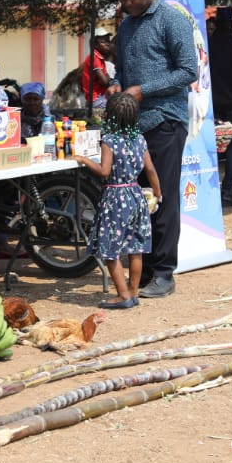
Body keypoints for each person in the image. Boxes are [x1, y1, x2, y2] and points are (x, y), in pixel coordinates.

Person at [110, 0, 198, 299]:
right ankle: (142, 268)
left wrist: (143, 90)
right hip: (133, 126)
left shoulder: (171, 20)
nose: (127, 4)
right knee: (138, 200)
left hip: (164, 120)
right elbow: (122, 69)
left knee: (162, 198)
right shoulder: (128, 24)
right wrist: (117, 85)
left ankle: (164, 272)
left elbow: (188, 70)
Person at [72, 91, 161, 308]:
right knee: (135, 248)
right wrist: (158, 193)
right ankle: (133, 293)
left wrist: (84, 160)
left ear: (109, 115)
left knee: (110, 251)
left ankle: (123, 295)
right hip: (136, 195)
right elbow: (150, 169)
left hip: (115, 198)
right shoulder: (139, 139)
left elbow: (104, 171)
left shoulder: (109, 140)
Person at [208, 7, 232, 207]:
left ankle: (209, 189)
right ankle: (228, 190)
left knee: (211, 145)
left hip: (213, 101)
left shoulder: (209, 44)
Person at [79, 30, 116, 108]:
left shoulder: (100, 58)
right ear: (95, 45)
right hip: (96, 98)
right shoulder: (94, 58)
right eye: (103, 42)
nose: (107, 44)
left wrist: (106, 77)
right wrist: (106, 77)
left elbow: (105, 79)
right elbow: (105, 81)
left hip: (100, 96)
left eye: (108, 41)